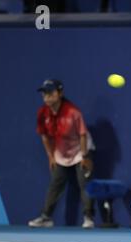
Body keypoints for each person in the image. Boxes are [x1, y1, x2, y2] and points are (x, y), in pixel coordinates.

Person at [29, 79, 95, 228]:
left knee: (84, 184)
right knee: (55, 184)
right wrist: (51, 156)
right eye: (44, 93)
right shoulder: (42, 113)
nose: (46, 96)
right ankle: (46, 218)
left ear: (60, 93)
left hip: (81, 150)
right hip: (61, 153)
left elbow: (83, 135)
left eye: (50, 92)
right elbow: (44, 136)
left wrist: (84, 157)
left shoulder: (73, 112)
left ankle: (89, 217)